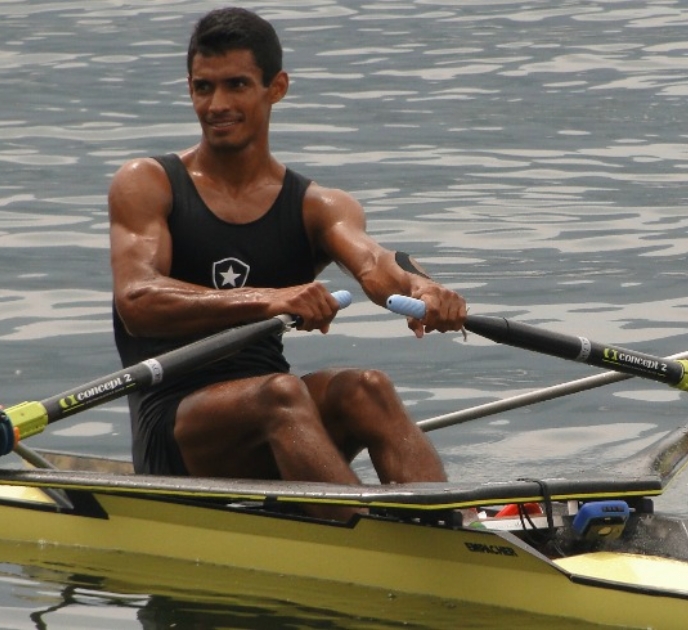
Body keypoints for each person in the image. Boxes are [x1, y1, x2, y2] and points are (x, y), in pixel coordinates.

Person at [108, 7, 467, 521]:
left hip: (278, 419)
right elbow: (137, 301)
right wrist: (270, 299)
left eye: (236, 85)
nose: (217, 104)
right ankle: (370, 544)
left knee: (367, 387)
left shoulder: (317, 204)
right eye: (202, 88)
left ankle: (453, 532)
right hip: (177, 429)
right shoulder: (149, 183)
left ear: (275, 88)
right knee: (280, 393)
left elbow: (375, 267)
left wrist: (424, 289)